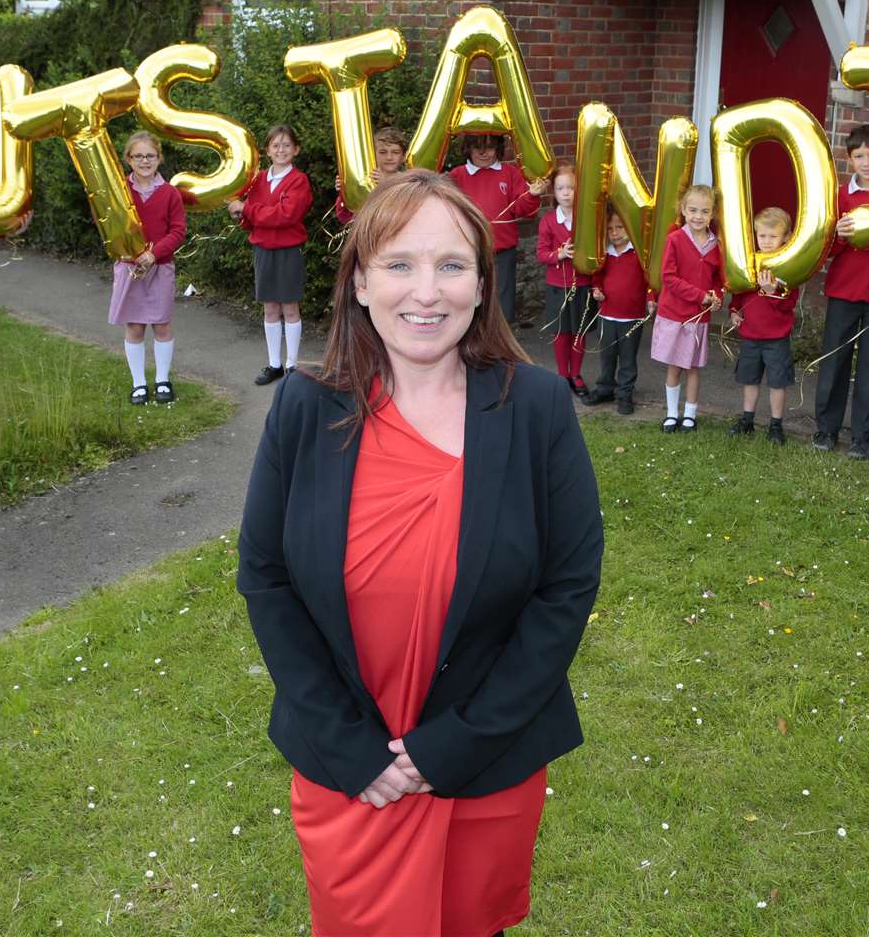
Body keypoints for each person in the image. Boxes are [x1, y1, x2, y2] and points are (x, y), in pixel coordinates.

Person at [237, 168, 602, 937]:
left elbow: (566, 588)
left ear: (481, 285)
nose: (426, 292)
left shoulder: (534, 407)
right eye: (399, 265)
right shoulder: (303, 408)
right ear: (361, 283)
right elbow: (266, 581)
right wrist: (354, 749)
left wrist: (454, 744)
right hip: (348, 771)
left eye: (451, 265)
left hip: (485, 765)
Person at [812, 124, 869, 459]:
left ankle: (863, 437)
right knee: (834, 361)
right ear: (849, 159)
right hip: (844, 290)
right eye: (859, 155)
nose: (866, 162)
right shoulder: (840, 196)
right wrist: (838, 233)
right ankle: (826, 429)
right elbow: (826, 249)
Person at [230, 124, 312, 385]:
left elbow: (286, 215)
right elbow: (252, 216)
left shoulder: (299, 180)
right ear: (267, 150)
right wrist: (240, 213)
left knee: (289, 307)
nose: (281, 150)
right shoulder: (257, 180)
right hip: (263, 249)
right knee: (270, 308)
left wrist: (247, 209)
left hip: (288, 251)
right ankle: (274, 364)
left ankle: (292, 365)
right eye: (276, 145)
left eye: (287, 145)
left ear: (296, 150)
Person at [111, 131, 187, 405]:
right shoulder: (118, 191)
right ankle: (139, 383)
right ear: (129, 159)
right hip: (129, 268)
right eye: (139, 156)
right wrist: (129, 253)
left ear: (159, 158)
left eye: (150, 156)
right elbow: (108, 224)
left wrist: (155, 253)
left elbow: (178, 231)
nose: (145, 161)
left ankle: (163, 379)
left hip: (160, 266)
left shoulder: (170, 194)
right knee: (134, 326)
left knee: (162, 324)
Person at [447, 133, 547, 323]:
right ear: (468, 149)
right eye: (478, 148)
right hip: (468, 248)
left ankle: (502, 339)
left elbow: (522, 210)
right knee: (468, 291)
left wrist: (532, 195)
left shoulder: (509, 173)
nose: (484, 153)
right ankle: (470, 335)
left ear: (499, 149)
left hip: (502, 249)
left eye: (490, 147)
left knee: (503, 295)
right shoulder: (457, 175)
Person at [652, 184, 724, 433]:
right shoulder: (675, 239)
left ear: (712, 214)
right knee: (674, 366)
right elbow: (668, 277)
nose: (698, 216)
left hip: (699, 318)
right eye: (692, 210)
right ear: (683, 210)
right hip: (675, 313)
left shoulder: (716, 244)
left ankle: (690, 414)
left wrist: (717, 296)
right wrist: (700, 296)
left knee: (693, 367)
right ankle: (672, 414)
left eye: (704, 211)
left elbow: (718, 279)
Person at [727, 207, 798, 444]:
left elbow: (788, 304)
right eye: (762, 236)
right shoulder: (750, 262)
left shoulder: (789, 266)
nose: (766, 241)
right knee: (750, 379)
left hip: (776, 338)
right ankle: (747, 420)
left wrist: (771, 292)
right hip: (751, 335)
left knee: (777, 382)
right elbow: (740, 292)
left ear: (786, 237)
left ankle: (776, 426)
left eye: (773, 236)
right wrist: (734, 310)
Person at [582, 207, 651, 415]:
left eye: (620, 227)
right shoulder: (605, 255)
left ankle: (624, 394)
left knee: (628, 359)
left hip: (632, 316)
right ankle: (605, 389)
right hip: (607, 315)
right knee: (607, 355)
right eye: (610, 228)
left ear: (630, 228)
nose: (615, 232)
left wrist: (651, 299)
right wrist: (597, 290)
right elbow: (596, 278)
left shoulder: (639, 255)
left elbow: (651, 282)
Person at [535, 162, 591, 397]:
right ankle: (562, 375)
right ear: (554, 192)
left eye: (571, 187)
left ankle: (576, 374)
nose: (566, 193)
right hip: (558, 286)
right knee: (561, 333)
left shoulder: (586, 219)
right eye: (561, 188)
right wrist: (559, 254)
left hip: (583, 285)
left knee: (579, 332)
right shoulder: (548, 221)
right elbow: (541, 253)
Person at [334, 126, 409, 224]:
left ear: (403, 156)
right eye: (383, 152)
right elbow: (344, 217)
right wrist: (345, 192)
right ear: (373, 154)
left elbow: (406, 214)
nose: (389, 157)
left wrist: (386, 185)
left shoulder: (408, 182)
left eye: (395, 152)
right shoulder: (365, 179)